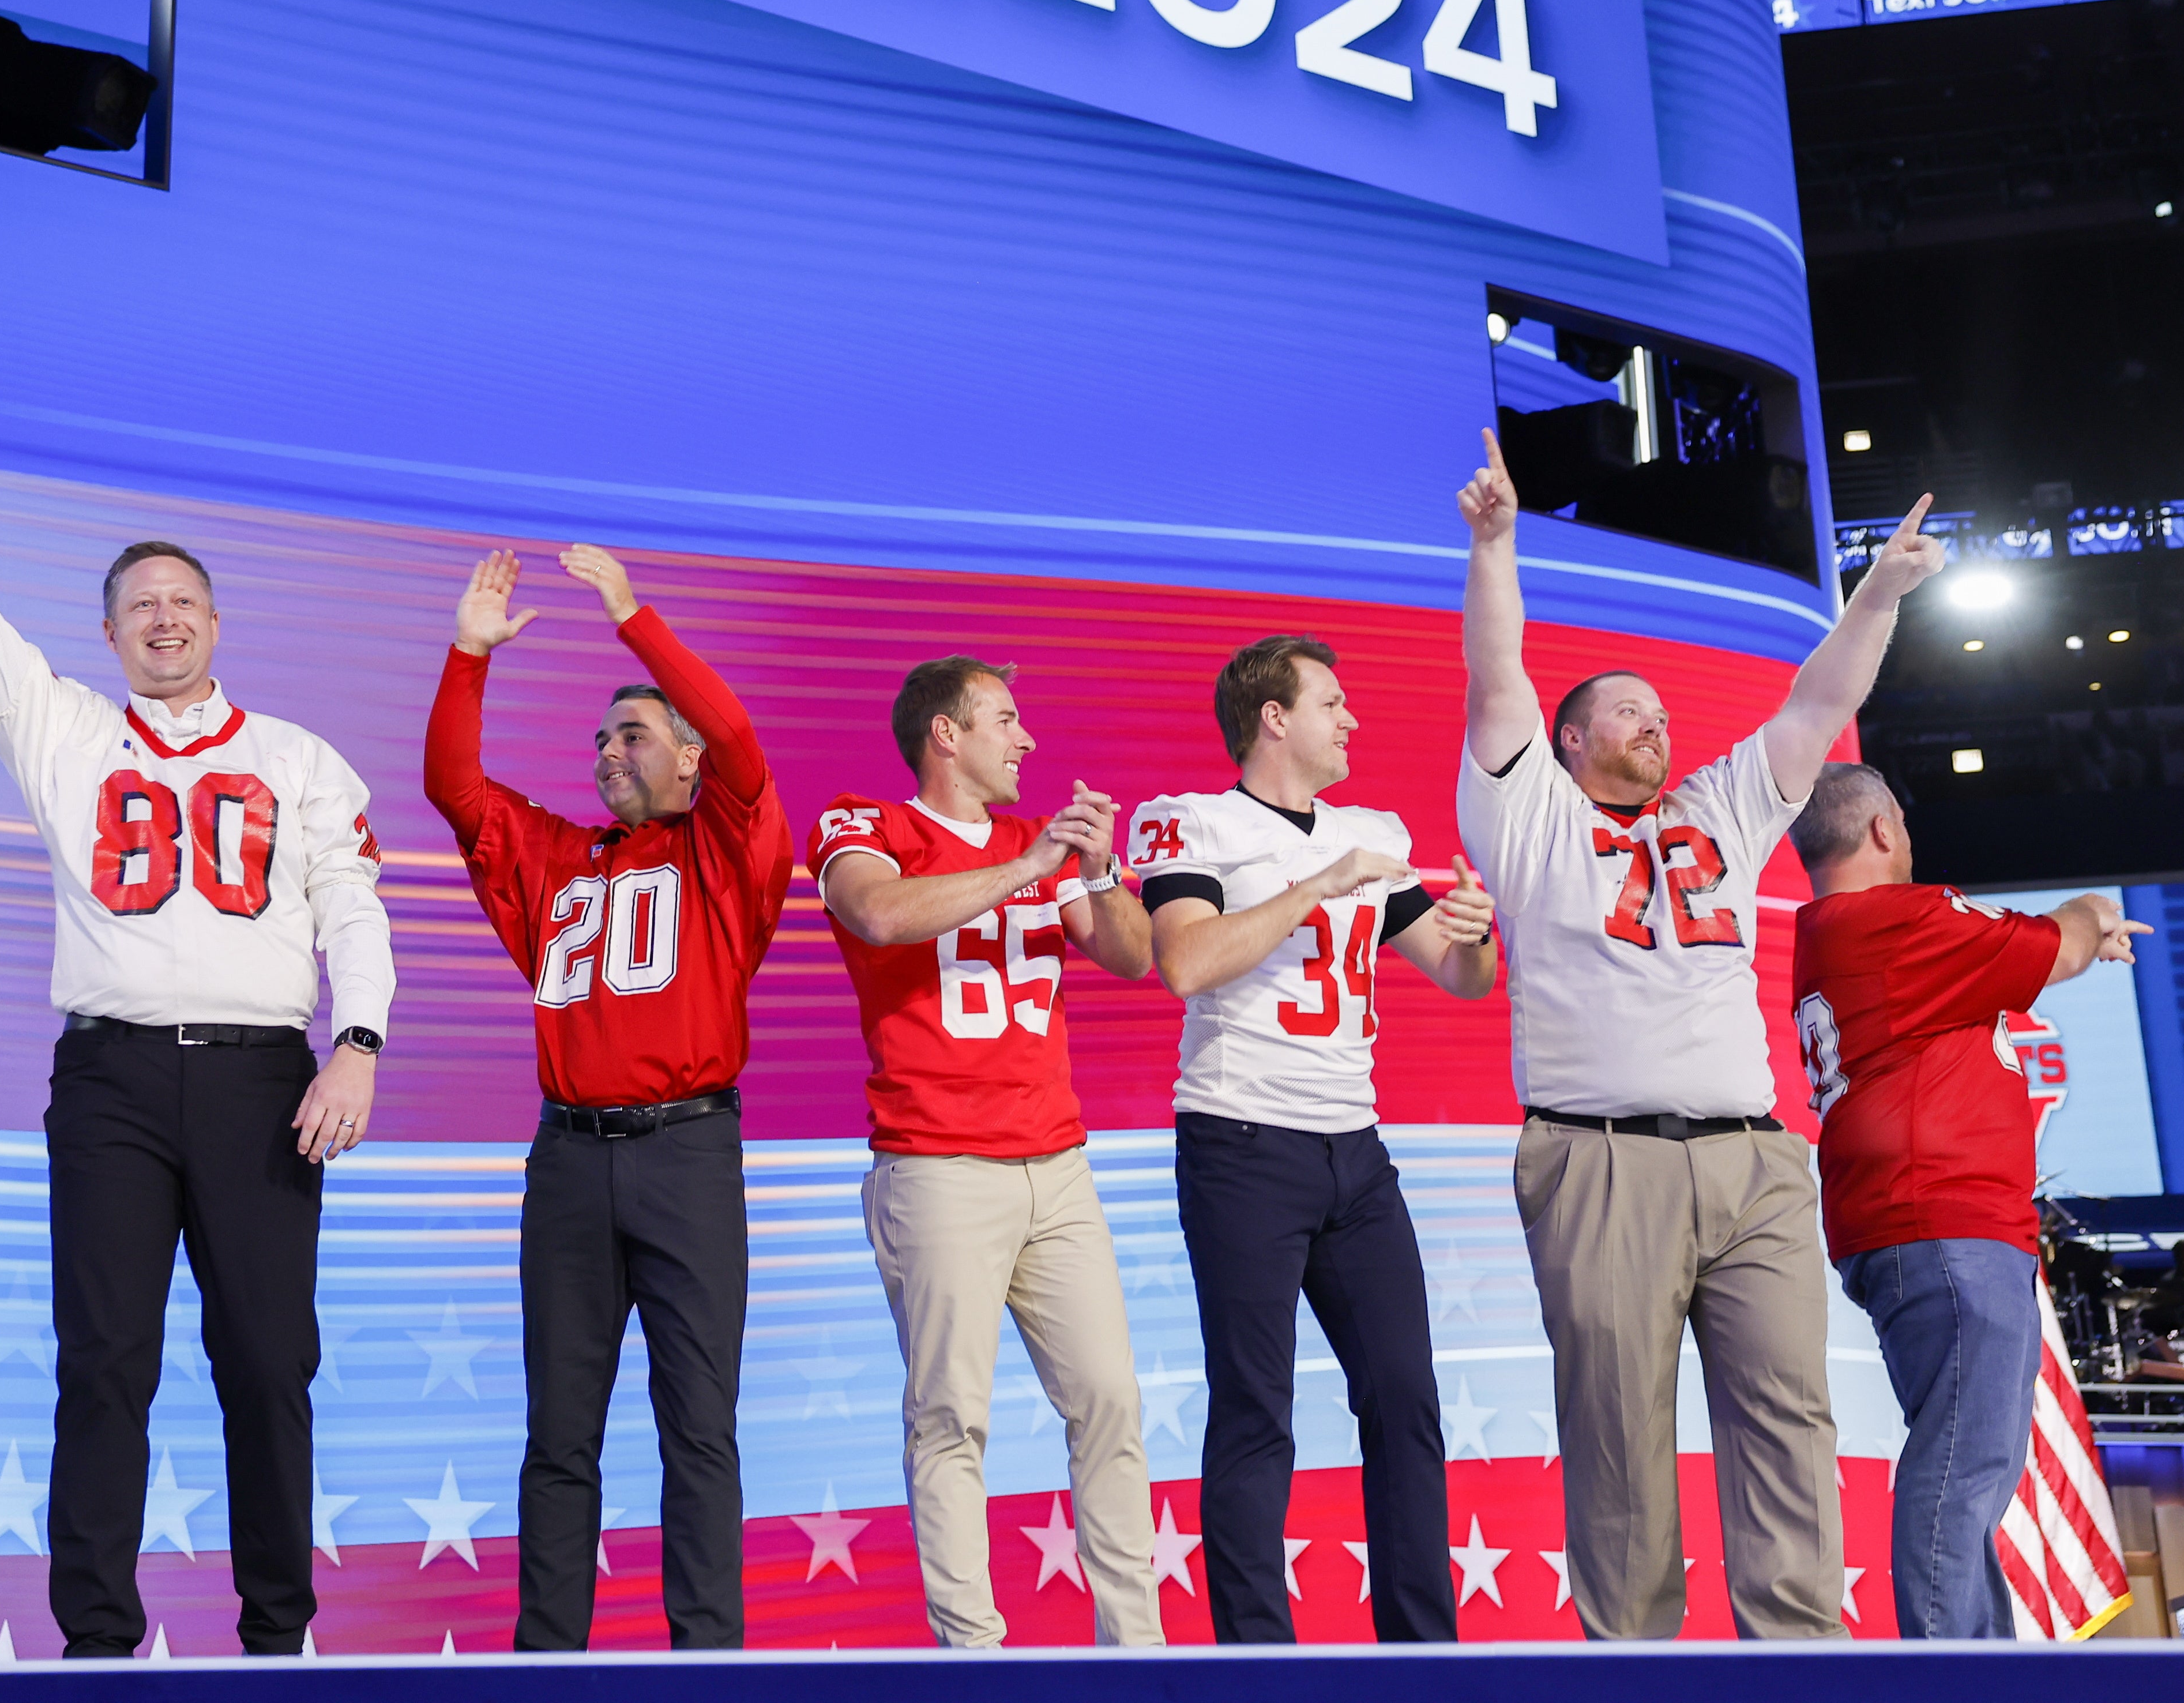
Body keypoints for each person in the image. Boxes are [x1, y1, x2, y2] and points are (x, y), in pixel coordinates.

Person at [0, 363, 391, 1659]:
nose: (164, 621)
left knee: (268, 1359)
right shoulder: (62, 730)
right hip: (111, 1077)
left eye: (183, 602)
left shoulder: (299, 757)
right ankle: (98, 1640)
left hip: (260, 1081)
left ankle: (278, 1635)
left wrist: (355, 1045)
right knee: (105, 1358)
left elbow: (355, 913)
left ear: (218, 622)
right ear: (111, 632)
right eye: (140, 606)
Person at [1452, 430, 1941, 1640]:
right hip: (1600, 1154)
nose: (1653, 724)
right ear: (1568, 743)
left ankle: (1801, 1659)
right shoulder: (1527, 820)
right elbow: (1498, 677)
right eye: (1627, 712)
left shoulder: (1721, 803)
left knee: (1789, 1411)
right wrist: (1498, 545)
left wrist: (1874, 593)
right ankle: (1634, 1663)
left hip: (1754, 1157)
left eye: (1661, 711)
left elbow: (1824, 696)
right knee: (1617, 1431)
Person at [425, 546, 791, 1652]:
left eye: (633, 734)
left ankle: (708, 1663)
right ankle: (546, 1663)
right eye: (598, 739)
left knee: (700, 1431)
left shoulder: (726, 846)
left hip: (686, 1154)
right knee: (558, 1435)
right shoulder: (556, 855)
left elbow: (737, 738)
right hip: (571, 1162)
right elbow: (454, 786)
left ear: (684, 757)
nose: (607, 751)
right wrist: (468, 657)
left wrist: (637, 623)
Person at [1128, 634, 1501, 1644]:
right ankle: (1257, 1660)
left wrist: (1476, 927)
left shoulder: (1372, 830)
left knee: (1406, 1401)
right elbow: (1186, 964)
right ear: (1274, 717)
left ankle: (1424, 1652)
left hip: (1356, 1150)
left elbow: (1462, 979)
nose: (1354, 722)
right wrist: (1315, 886)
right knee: (1257, 1411)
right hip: (1243, 1142)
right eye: (1332, 704)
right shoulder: (1190, 820)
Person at [809, 657, 1159, 1649]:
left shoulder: (1034, 845)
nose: (1029, 740)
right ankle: (974, 1656)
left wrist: (1092, 866)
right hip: (938, 1164)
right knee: (951, 1415)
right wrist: (1029, 867)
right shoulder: (864, 823)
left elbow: (1134, 957)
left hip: (1057, 1162)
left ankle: (1137, 1652)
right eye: (1006, 719)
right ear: (946, 735)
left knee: (1110, 1400)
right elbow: (877, 913)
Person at [1786, 762, 2137, 1638]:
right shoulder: (1904, 919)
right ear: (1880, 831)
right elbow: (2058, 942)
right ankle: (1955, 1674)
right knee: (1963, 1464)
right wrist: (2096, 912)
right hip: (1945, 1220)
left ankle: (1977, 1659)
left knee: (1969, 1458)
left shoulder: (1842, 934)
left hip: (1916, 1224)